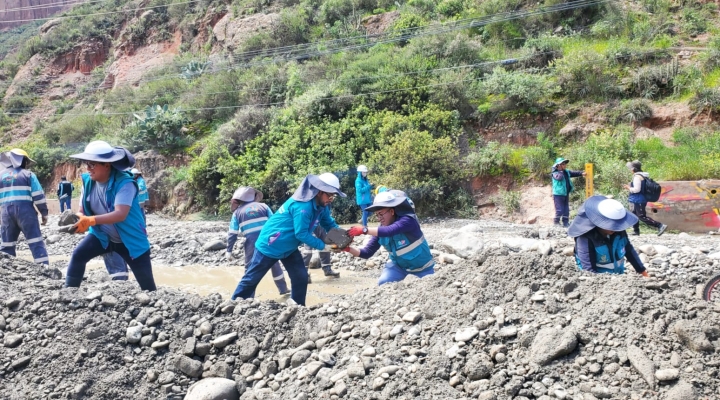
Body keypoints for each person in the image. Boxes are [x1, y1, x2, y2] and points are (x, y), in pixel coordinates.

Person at [231, 173, 345, 306]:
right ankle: (232, 305)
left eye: (333, 196)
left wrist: (343, 237)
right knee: (251, 279)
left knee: (300, 277)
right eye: (329, 194)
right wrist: (324, 246)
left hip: (289, 247)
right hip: (270, 245)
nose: (331, 198)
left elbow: (329, 224)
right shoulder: (303, 207)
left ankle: (298, 307)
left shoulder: (322, 206)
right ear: (319, 191)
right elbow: (301, 234)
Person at [65, 141, 156, 291]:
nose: (88, 168)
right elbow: (82, 209)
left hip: (130, 240)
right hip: (103, 236)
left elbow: (120, 214)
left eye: (92, 164)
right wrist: (80, 220)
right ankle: (68, 294)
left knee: (148, 287)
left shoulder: (125, 183)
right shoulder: (88, 182)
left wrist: (91, 220)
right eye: (86, 163)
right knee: (78, 256)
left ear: (107, 165)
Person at [344, 191, 435, 285]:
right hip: (398, 267)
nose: (379, 218)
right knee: (383, 283)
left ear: (392, 211)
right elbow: (367, 252)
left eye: (381, 213)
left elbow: (390, 230)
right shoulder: (380, 229)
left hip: (422, 268)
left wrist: (363, 230)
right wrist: (347, 249)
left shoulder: (408, 220)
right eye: (376, 215)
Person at [227, 186, 290, 295]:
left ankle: (248, 296)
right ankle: (283, 289)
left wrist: (229, 251)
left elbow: (232, 233)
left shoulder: (237, 213)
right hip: (268, 240)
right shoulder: (264, 207)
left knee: (250, 268)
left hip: (251, 242)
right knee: (274, 263)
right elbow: (274, 223)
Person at [568, 195, 649, 276]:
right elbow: (588, 271)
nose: (615, 228)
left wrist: (642, 272)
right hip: (598, 282)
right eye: (611, 225)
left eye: (617, 225)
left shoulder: (619, 232)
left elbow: (629, 251)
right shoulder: (585, 238)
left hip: (618, 277)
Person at [0, 149, 49, 265]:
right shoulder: (28, 175)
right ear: (23, 161)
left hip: (5, 213)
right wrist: (44, 213)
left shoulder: (0, 176)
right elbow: (39, 196)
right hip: (26, 212)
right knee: (35, 241)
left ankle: (7, 272)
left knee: (7, 244)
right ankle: (44, 269)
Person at [624, 160, 667, 236]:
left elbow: (637, 189)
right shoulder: (641, 175)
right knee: (634, 215)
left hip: (638, 200)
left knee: (641, 216)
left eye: (630, 168)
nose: (630, 170)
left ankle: (660, 225)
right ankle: (636, 231)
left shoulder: (637, 177)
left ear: (633, 169)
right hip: (636, 199)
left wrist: (628, 188)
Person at [551, 157, 585, 227]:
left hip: (566, 193)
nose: (564, 165)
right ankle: (556, 222)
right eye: (562, 164)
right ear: (558, 165)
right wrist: (560, 170)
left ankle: (565, 222)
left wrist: (582, 173)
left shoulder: (566, 172)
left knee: (566, 209)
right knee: (560, 209)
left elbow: (574, 173)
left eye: (564, 164)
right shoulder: (555, 173)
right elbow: (559, 178)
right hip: (558, 194)